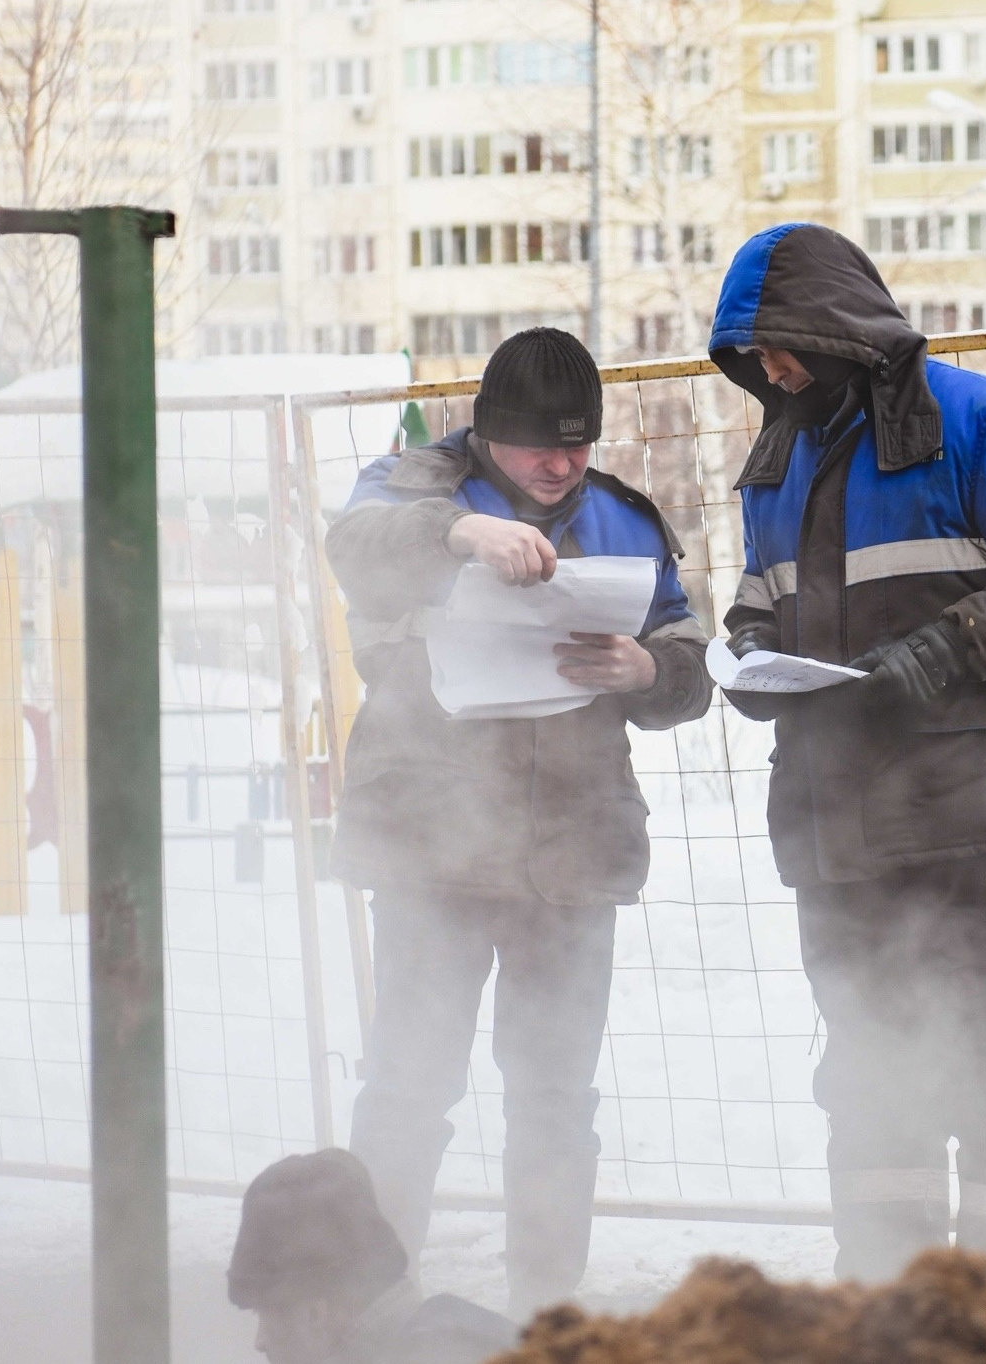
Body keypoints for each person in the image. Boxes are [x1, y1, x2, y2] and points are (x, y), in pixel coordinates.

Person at [707, 223, 986, 1279]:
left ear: (837, 327)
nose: (771, 371)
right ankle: (884, 1306)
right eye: (754, 357)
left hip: (970, 817)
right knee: (866, 1073)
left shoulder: (984, 420)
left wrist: (924, 659)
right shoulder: (774, 458)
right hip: (833, 821)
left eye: (781, 346)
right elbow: (754, 602)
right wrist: (750, 655)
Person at [327, 327, 712, 1314]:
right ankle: (366, 1298)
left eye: (577, 446)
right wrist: (459, 534)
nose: (561, 465)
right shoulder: (415, 484)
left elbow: (687, 660)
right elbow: (354, 551)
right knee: (410, 1082)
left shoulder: (624, 519)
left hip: (572, 855)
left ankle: (547, 1307)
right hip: (432, 846)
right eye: (540, 447)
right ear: (487, 433)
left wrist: (649, 671)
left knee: (553, 1098)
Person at [228, 1148, 520, 1364]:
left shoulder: (435, 1356)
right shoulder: (457, 1337)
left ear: (313, 1313)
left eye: (264, 1315)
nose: (259, 1342)